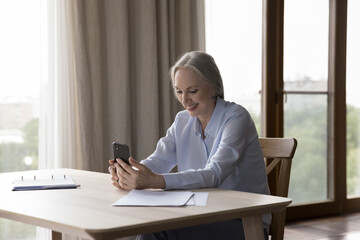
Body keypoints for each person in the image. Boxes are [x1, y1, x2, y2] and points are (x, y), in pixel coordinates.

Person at [108, 51, 270, 240]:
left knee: (154, 230)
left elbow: (214, 174)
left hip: (243, 222)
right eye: (179, 91)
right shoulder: (182, 120)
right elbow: (159, 160)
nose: (185, 100)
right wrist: (131, 173)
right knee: (149, 226)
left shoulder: (236, 117)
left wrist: (155, 180)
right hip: (199, 215)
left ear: (213, 87)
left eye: (192, 91)